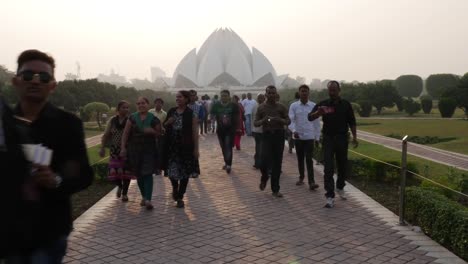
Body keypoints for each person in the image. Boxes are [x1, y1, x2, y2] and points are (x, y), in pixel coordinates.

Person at [7, 49, 93, 262]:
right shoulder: (5, 123)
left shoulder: (68, 124)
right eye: (28, 75)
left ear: (53, 85)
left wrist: (55, 180)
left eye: (43, 77)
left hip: (49, 229)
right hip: (10, 231)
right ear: (16, 81)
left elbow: (84, 175)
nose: (35, 81)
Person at [308, 80, 358, 208]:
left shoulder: (346, 104)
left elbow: (352, 121)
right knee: (328, 168)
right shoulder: (323, 105)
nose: (332, 92)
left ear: (339, 90)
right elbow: (310, 117)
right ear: (328, 91)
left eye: (334, 90)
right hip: (328, 139)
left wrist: (355, 137)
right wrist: (318, 113)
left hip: (342, 138)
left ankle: (340, 186)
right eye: (330, 90)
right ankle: (329, 195)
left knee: (342, 166)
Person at [120, 97, 161, 210]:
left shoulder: (154, 119)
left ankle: (148, 199)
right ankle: (144, 196)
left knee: (147, 174)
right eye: (138, 103)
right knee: (139, 175)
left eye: (143, 103)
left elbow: (160, 134)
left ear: (148, 104)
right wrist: (123, 147)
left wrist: (152, 131)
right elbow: (125, 134)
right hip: (134, 151)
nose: (141, 105)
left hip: (149, 150)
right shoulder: (132, 118)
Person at [162, 91, 199, 208]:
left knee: (185, 172)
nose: (178, 99)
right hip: (172, 146)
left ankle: (180, 196)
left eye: (180, 97)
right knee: (172, 170)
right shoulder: (171, 111)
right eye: (177, 97)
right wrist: (168, 122)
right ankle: (174, 187)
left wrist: (196, 149)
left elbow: (194, 132)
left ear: (186, 99)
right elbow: (163, 127)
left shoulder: (191, 113)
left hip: (186, 146)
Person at [254, 85, 290, 198]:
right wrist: (263, 120)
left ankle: (275, 189)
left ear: (276, 94)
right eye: (269, 93)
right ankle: (264, 177)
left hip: (279, 135)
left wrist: (280, 120)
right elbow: (255, 123)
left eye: (273, 93)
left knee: (277, 163)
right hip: (267, 135)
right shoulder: (261, 108)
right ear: (266, 95)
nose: (271, 95)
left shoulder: (281, 107)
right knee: (263, 161)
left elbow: (288, 120)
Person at [99, 101, 135, 202]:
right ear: (118, 109)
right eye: (124, 107)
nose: (126, 109)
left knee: (126, 173)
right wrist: (102, 148)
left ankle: (124, 194)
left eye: (128, 108)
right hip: (114, 150)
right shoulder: (112, 121)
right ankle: (119, 186)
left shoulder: (130, 120)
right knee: (114, 173)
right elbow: (106, 135)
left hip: (127, 149)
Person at [288, 85, 321, 191]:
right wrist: (294, 131)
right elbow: (291, 121)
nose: (304, 93)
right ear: (299, 93)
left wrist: (317, 137)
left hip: (309, 136)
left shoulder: (313, 106)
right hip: (298, 136)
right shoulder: (294, 106)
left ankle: (311, 182)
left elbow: (316, 123)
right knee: (300, 158)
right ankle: (301, 177)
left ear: (308, 93)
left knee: (309, 159)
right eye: (302, 91)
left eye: (306, 91)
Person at [211, 90, 239, 174]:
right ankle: (226, 162)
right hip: (220, 130)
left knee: (228, 146)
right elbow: (212, 114)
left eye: (225, 96)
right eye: (222, 96)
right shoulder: (216, 105)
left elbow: (237, 117)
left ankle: (229, 165)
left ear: (229, 97)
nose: (224, 97)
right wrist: (210, 119)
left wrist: (236, 128)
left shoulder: (233, 106)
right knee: (223, 147)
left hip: (230, 130)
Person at [149, 98, 167, 176]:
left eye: (160, 103)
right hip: (150, 134)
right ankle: (152, 168)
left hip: (159, 134)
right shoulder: (150, 112)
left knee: (159, 151)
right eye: (157, 103)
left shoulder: (164, 114)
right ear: (154, 104)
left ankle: (158, 168)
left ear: (162, 104)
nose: (158, 104)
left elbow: (164, 124)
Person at [188, 90, 202, 178]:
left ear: (196, 96)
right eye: (190, 96)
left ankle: (195, 170)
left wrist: (195, 120)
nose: (192, 97)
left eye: (193, 95)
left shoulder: (199, 107)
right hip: (185, 131)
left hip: (194, 130)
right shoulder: (185, 106)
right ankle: (188, 170)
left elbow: (201, 118)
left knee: (194, 149)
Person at [251, 93, 265, 169]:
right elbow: (253, 118)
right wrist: (252, 129)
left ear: (264, 98)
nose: (260, 99)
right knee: (258, 148)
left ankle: (261, 163)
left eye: (261, 98)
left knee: (262, 148)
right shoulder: (255, 106)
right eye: (259, 98)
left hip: (264, 131)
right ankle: (257, 163)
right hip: (257, 131)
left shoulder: (266, 107)